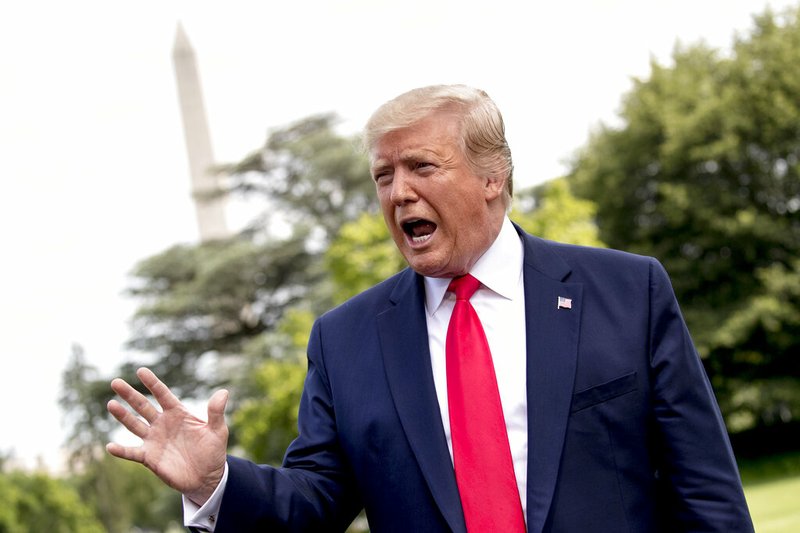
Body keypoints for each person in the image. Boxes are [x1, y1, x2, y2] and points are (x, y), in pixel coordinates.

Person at [107, 84, 754, 532]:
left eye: (421, 166)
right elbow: (316, 503)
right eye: (384, 175)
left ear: (491, 176)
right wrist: (214, 483)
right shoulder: (345, 340)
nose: (399, 192)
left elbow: (705, 490)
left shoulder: (627, 291)